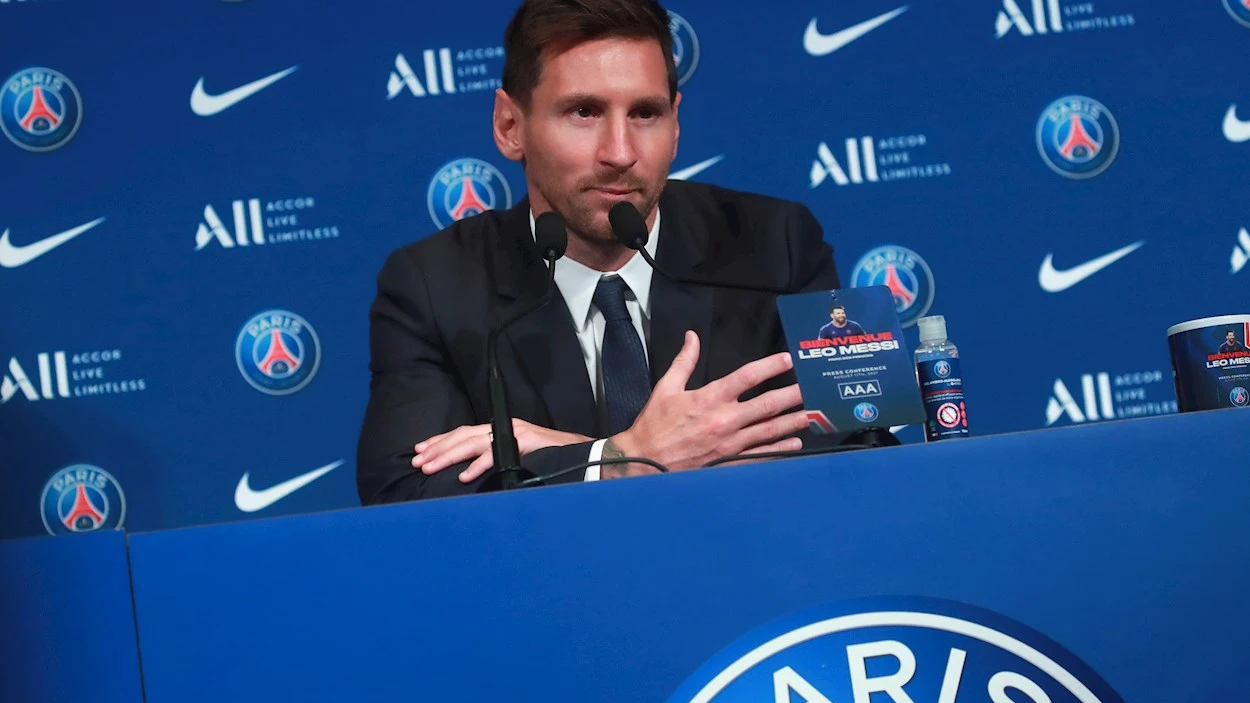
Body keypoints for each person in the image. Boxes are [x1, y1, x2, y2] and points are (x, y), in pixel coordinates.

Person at [356, 0, 839, 504]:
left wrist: (611, 457)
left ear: (675, 124)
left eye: (645, 113)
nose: (620, 153)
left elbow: (859, 439)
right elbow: (403, 488)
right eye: (583, 111)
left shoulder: (774, 244)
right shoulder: (435, 284)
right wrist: (617, 459)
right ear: (509, 126)